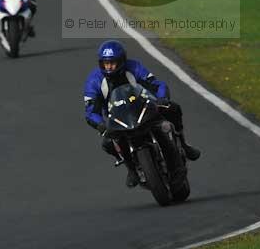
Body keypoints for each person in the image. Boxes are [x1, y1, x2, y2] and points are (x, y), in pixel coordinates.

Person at [83, 40, 201, 188]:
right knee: (107, 143)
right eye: (106, 63)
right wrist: (101, 125)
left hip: (143, 108)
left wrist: (161, 98)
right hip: (117, 118)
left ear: (122, 61)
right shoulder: (94, 80)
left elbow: (157, 84)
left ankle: (184, 144)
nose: (109, 67)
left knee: (173, 108)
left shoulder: (134, 67)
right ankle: (131, 169)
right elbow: (90, 110)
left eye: (113, 62)